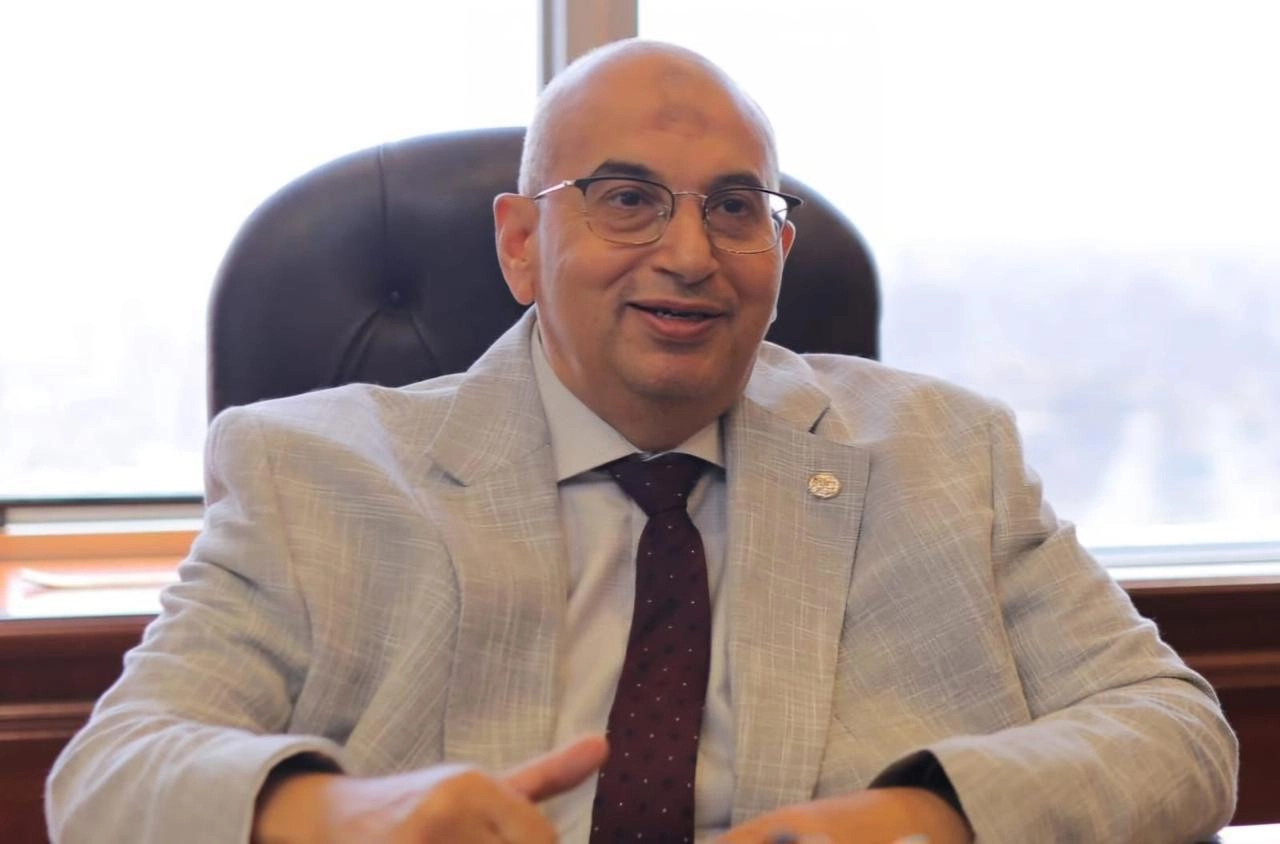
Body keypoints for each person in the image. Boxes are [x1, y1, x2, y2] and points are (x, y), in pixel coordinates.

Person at [47, 39, 1237, 843]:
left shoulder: (944, 453)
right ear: (520, 244)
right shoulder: (310, 472)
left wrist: (918, 820)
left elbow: (1176, 735)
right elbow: (106, 775)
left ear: (775, 247)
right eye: (625, 199)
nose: (687, 253)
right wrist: (348, 813)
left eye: (732, 206)